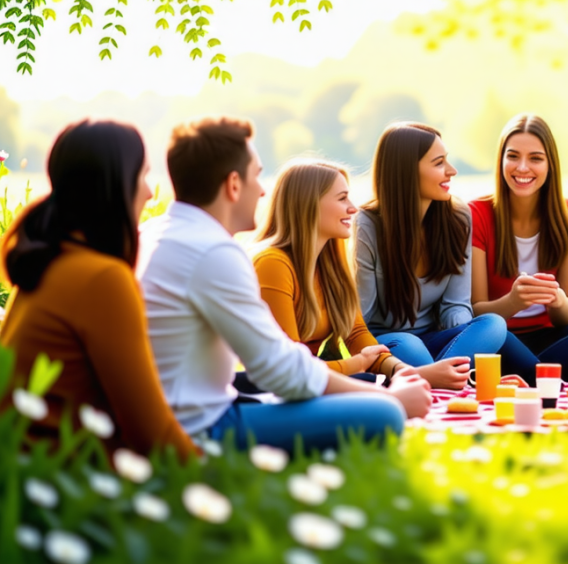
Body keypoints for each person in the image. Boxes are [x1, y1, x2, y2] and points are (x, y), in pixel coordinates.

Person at [137, 117, 431, 451]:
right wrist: (390, 397)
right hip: (201, 428)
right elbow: (279, 372)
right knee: (384, 414)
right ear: (234, 184)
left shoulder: (155, 233)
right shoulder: (214, 251)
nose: (263, 190)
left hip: (168, 411)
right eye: (257, 175)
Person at [0, 120, 196, 459]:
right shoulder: (102, 279)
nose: (150, 193)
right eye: (143, 175)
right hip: (63, 478)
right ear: (114, 183)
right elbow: (152, 434)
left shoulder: (53, 259)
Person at [253, 159, 466, 388]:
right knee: (378, 395)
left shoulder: (330, 267)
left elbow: (356, 334)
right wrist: (358, 364)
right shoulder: (273, 265)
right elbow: (289, 368)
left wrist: (406, 372)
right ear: (309, 204)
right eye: (342, 198)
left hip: (314, 381)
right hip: (280, 390)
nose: (353, 208)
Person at [470, 114, 568, 380]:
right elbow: (475, 313)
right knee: (491, 331)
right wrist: (513, 302)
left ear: (550, 164)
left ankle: (529, 376)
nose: (523, 167)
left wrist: (558, 300)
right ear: (501, 160)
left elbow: (566, 316)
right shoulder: (477, 214)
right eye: (513, 156)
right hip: (499, 338)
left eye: (536, 158)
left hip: (547, 339)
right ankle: (553, 378)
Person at [356, 122, 506, 384]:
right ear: (406, 172)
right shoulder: (368, 224)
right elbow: (362, 316)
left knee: (493, 325)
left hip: (437, 338)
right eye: (439, 163)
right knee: (410, 344)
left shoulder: (458, 217)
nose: (452, 171)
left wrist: (463, 335)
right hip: (392, 343)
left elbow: (456, 305)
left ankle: (433, 378)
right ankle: (446, 379)